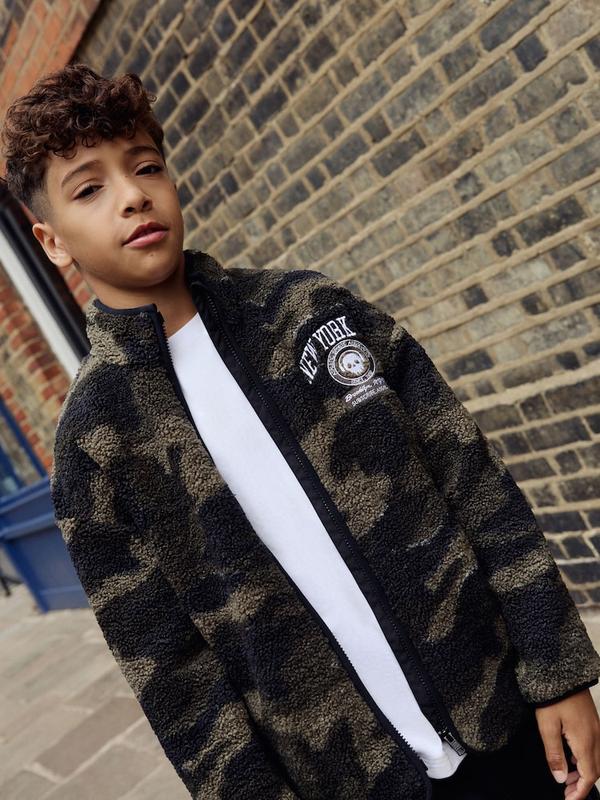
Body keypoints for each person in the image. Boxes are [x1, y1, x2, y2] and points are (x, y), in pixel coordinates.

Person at [2, 62, 599, 800]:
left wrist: (558, 669)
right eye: (89, 189)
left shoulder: (310, 312)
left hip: (506, 716)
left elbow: (472, 481)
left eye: (146, 166)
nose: (132, 196)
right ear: (52, 241)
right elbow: (174, 678)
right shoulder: (95, 447)